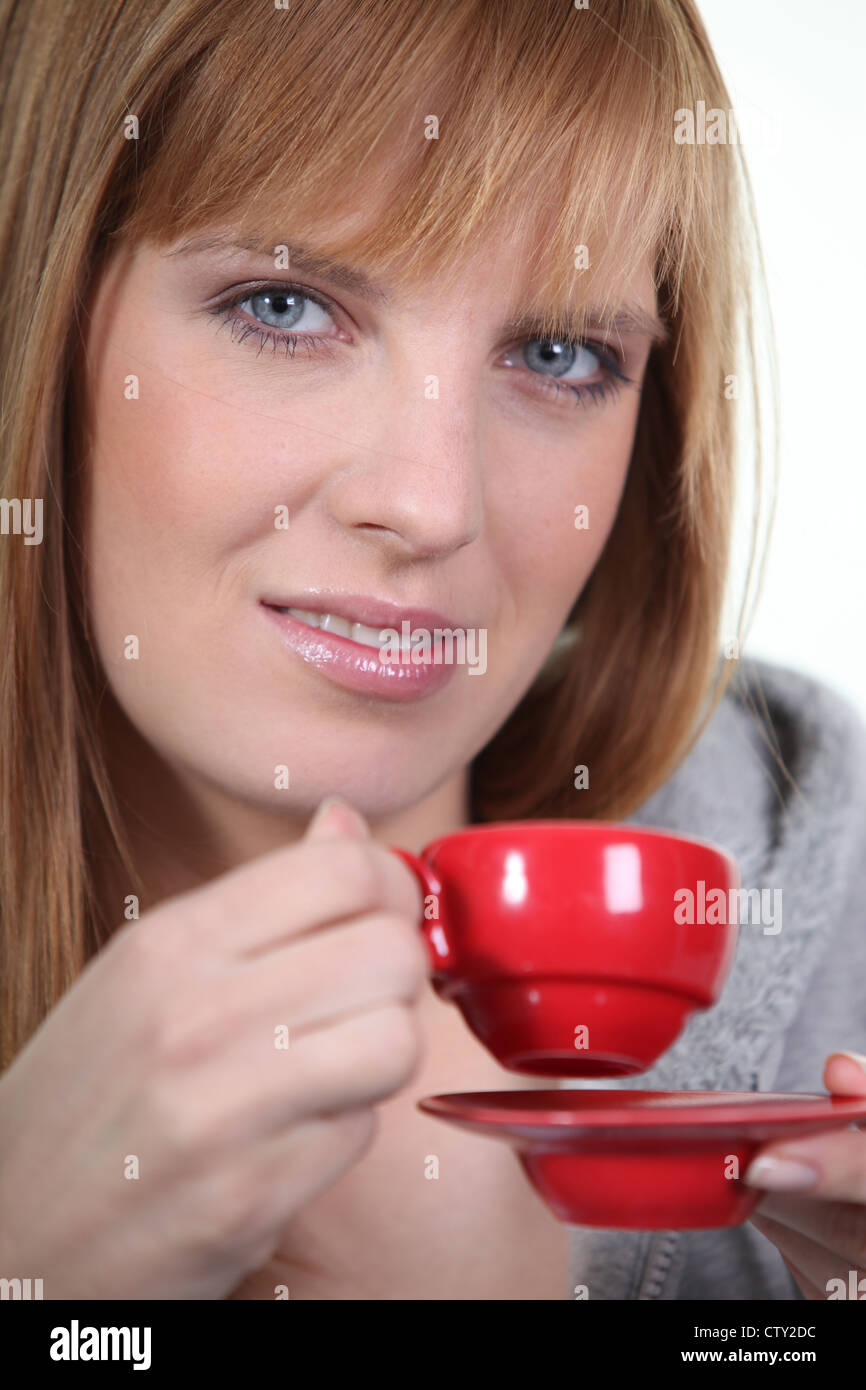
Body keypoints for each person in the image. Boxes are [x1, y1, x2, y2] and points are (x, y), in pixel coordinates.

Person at [0, 0, 863, 1301]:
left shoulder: (829, 887)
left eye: (559, 354)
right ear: (40, 316)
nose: (432, 505)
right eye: (284, 306)